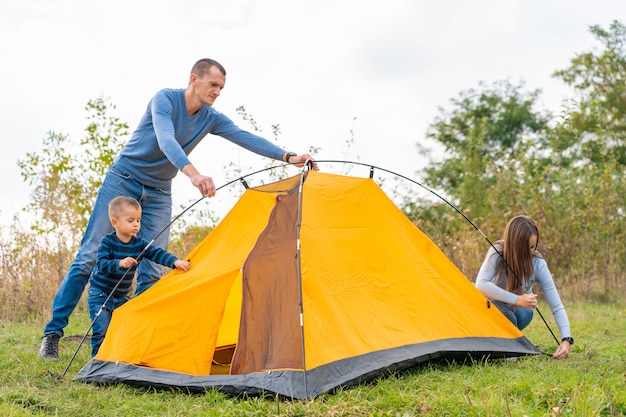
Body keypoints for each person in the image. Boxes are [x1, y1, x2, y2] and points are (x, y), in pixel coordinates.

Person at [39, 58, 318, 361]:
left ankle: (130, 344)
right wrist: (193, 173)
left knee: (153, 268)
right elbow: (165, 138)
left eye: (221, 88)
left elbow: (244, 136)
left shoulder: (210, 117)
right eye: (213, 85)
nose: (217, 92)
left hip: (159, 192)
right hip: (124, 180)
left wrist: (288, 156)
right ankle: (52, 335)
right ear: (194, 79)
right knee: (89, 258)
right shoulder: (165, 100)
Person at [88, 196, 190, 356]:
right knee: (101, 328)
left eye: (138, 220)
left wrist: (175, 262)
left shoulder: (139, 244)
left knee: (123, 328)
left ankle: (116, 357)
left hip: (121, 296)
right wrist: (119, 263)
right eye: (130, 220)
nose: (136, 224)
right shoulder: (107, 242)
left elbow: (157, 253)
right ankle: (97, 362)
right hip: (100, 294)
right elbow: (101, 265)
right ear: (115, 223)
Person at [475, 215, 574, 359]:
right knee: (501, 307)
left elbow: (556, 305)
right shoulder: (497, 251)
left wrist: (566, 340)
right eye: (526, 248)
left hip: (520, 313)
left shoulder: (538, 263)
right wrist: (517, 299)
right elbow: (481, 284)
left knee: (523, 313)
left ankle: (506, 343)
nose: (531, 252)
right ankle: (506, 344)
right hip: (489, 310)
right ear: (514, 246)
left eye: (533, 246)